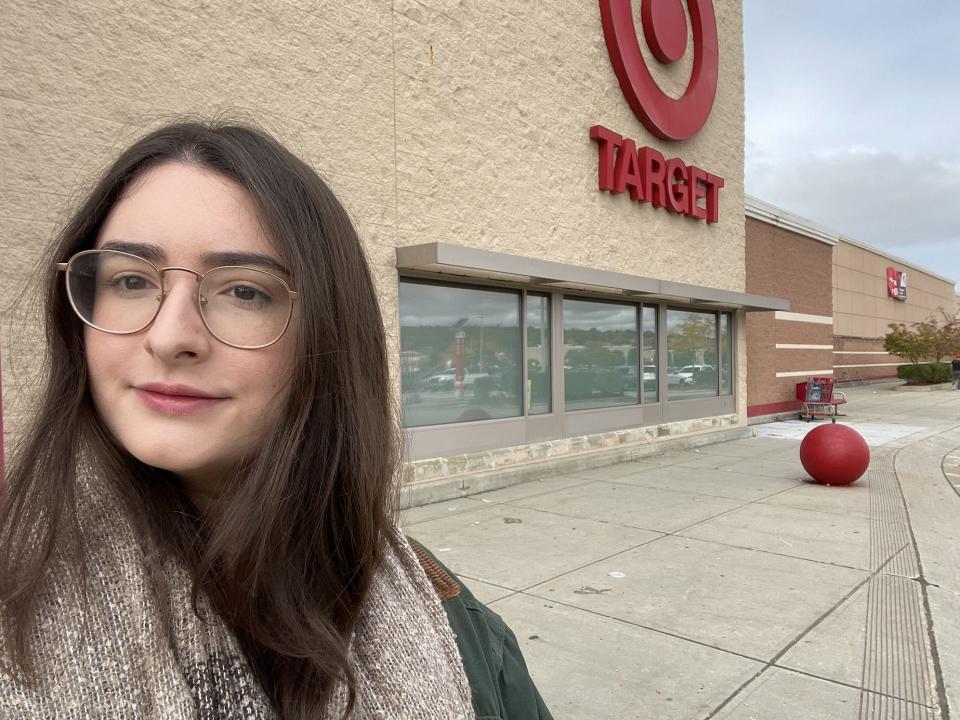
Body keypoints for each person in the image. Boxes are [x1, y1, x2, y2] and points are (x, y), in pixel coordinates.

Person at [0, 120, 553, 720]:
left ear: (328, 336)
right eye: (130, 280)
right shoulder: (16, 602)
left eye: (244, 292)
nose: (169, 337)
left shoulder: (454, 628)